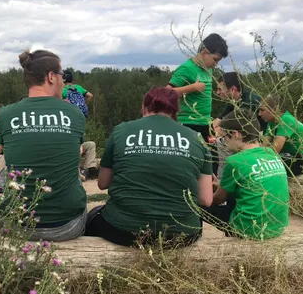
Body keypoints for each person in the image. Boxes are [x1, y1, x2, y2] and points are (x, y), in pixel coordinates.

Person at [85, 87, 213, 247]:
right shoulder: (197, 138)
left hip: (122, 230)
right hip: (181, 236)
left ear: (143, 108)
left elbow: (102, 183)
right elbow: (206, 199)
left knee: (92, 216)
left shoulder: (121, 130)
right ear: (175, 113)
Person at [0, 49, 87, 242]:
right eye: (62, 75)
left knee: (5, 160)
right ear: (51, 77)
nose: (64, 81)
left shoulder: (5, 114)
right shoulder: (74, 113)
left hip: (14, 225)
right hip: (67, 226)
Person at [205, 110, 290, 240]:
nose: (224, 142)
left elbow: (218, 200)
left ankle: (193, 239)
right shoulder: (271, 153)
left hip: (249, 229)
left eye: (224, 138)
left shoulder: (235, 161)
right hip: (277, 226)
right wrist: (221, 185)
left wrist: (204, 192)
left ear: (235, 134)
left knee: (196, 203)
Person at [167, 33, 229, 142]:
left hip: (206, 123)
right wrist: (192, 88)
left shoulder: (208, 69)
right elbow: (166, 94)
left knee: (212, 158)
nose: (216, 64)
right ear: (205, 53)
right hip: (188, 124)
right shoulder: (186, 69)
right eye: (215, 59)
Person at [213, 72, 265, 179]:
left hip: (258, 139)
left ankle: (224, 178)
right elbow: (216, 123)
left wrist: (219, 132)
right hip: (248, 137)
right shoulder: (235, 101)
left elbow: (239, 131)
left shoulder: (248, 102)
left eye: (220, 89)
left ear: (232, 89)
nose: (217, 92)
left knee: (222, 141)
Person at [259, 95, 303, 176]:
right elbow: (264, 145)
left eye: (262, 110)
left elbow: (275, 149)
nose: (259, 114)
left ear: (275, 109)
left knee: (270, 164)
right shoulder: (271, 122)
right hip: (294, 156)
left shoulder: (286, 119)